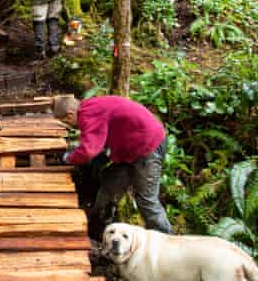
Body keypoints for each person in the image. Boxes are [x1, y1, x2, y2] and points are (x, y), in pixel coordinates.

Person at [54, 94, 174, 237]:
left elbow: (88, 151)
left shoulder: (88, 115)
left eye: (67, 122)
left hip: (148, 146)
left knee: (147, 201)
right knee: (110, 187)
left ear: (70, 114)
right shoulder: (90, 107)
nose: (70, 125)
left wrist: (69, 158)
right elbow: (99, 141)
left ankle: (167, 242)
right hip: (130, 149)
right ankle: (97, 231)